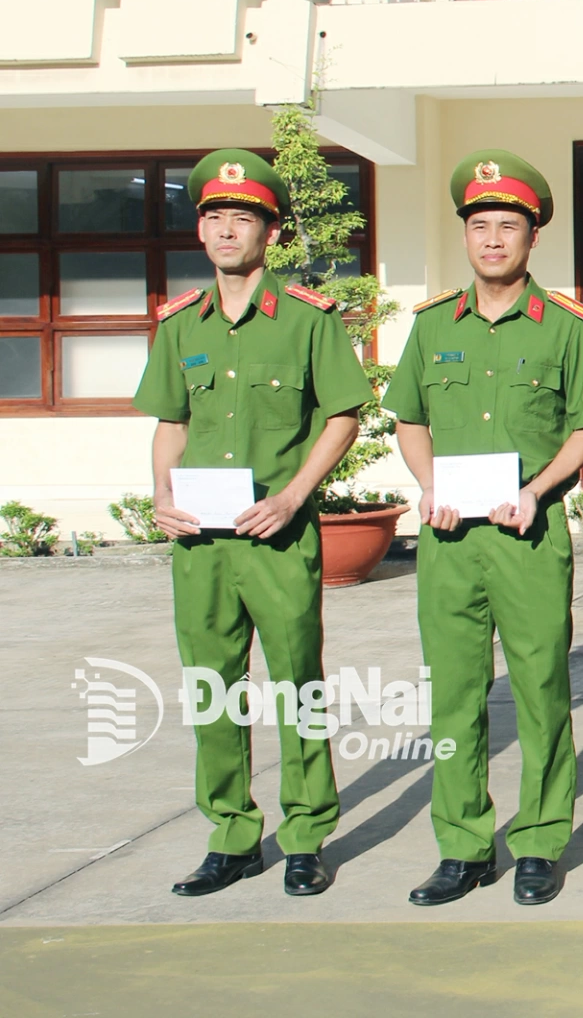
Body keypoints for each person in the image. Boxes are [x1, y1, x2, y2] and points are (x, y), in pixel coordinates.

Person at [134, 148, 373, 898]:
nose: (227, 229)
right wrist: (159, 495)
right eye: (214, 216)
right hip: (201, 542)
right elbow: (171, 422)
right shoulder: (181, 325)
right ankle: (231, 833)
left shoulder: (306, 320)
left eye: (244, 217)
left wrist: (296, 495)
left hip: (276, 533)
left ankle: (304, 835)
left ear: (269, 232)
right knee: (212, 685)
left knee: (297, 684)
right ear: (200, 231)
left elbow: (342, 416)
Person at [384, 150, 583, 907]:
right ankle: (462, 845)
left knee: (542, 687)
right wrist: (427, 486)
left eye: (508, 227)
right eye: (480, 226)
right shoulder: (430, 326)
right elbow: (410, 418)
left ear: (531, 238)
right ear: (466, 235)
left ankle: (542, 842)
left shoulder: (565, 326)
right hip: (450, 540)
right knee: (452, 695)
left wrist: (539, 486)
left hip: (528, 534)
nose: (493, 240)